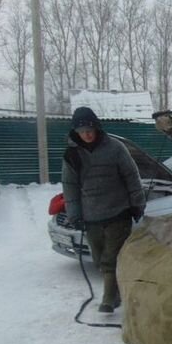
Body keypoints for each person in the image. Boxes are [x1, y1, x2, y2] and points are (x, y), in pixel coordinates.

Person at [61, 107, 146, 313]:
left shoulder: (115, 148)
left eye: (90, 129)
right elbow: (69, 187)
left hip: (118, 212)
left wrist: (137, 204)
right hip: (92, 216)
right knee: (99, 259)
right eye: (82, 130)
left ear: (97, 127)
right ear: (76, 132)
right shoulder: (72, 155)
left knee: (110, 259)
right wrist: (75, 215)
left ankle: (108, 300)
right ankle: (116, 294)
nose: (87, 134)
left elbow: (131, 176)